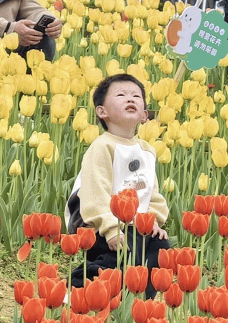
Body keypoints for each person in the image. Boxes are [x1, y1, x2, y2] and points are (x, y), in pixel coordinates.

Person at [65, 74, 169, 296]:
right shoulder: (102, 146)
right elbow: (95, 192)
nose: (130, 99)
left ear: (144, 115)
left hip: (133, 223)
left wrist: (154, 222)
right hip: (96, 220)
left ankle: (138, 301)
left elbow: (152, 194)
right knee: (127, 249)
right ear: (102, 112)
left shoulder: (147, 151)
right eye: (121, 95)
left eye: (136, 96)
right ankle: (78, 287)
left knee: (160, 249)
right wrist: (111, 229)